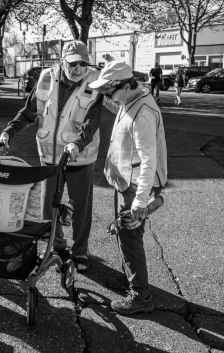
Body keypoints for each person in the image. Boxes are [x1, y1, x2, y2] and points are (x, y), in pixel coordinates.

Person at [0, 40, 104, 273]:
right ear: (62, 62)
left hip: (79, 156)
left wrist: (77, 143)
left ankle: (80, 251)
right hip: (49, 157)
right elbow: (28, 113)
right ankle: (58, 248)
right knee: (48, 207)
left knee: (81, 207)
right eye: (73, 64)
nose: (78, 69)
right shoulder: (46, 78)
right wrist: (8, 132)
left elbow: (91, 122)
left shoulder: (95, 82)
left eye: (83, 64)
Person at [89, 60, 168, 315]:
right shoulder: (131, 99)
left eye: (108, 92)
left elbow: (149, 161)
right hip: (127, 181)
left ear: (122, 85)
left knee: (131, 240)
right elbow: (117, 106)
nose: (106, 98)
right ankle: (132, 280)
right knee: (126, 238)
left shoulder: (142, 113)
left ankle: (140, 297)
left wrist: (139, 202)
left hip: (135, 186)